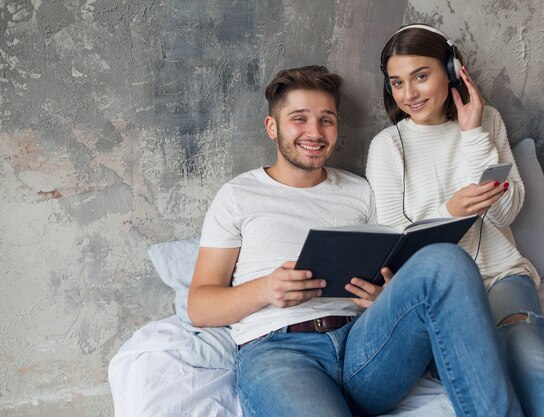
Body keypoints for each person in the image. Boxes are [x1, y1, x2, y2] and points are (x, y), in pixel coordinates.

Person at [188, 65, 526, 417]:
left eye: (326, 120)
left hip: (363, 347)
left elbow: (388, 260)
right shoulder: (238, 195)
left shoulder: (360, 192)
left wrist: (383, 296)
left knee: (446, 259)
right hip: (280, 352)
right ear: (272, 127)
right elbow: (199, 306)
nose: (315, 132)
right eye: (299, 119)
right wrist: (264, 289)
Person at [367, 23, 544, 417]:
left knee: (530, 352)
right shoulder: (387, 147)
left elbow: (506, 211)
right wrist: (451, 213)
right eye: (397, 83)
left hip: (502, 274)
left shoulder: (488, 122)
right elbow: (395, 245)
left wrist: (472, 134)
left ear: (452, 71)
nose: (409, 94)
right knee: (487, 361)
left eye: (421, 76)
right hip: (441, 290)